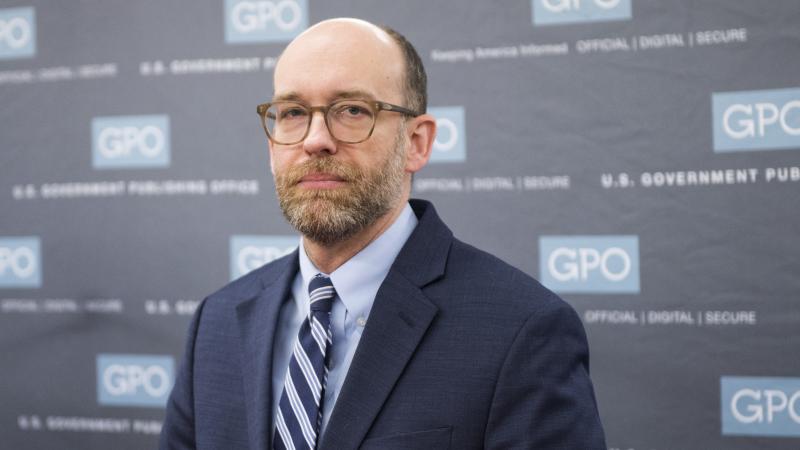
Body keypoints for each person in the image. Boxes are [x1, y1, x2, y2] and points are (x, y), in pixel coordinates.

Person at [160, 18, 606, 450]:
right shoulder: (217, 322)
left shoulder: (521, 331)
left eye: (353, 110)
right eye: (293, 112)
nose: (315, 139)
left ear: (417, 143)